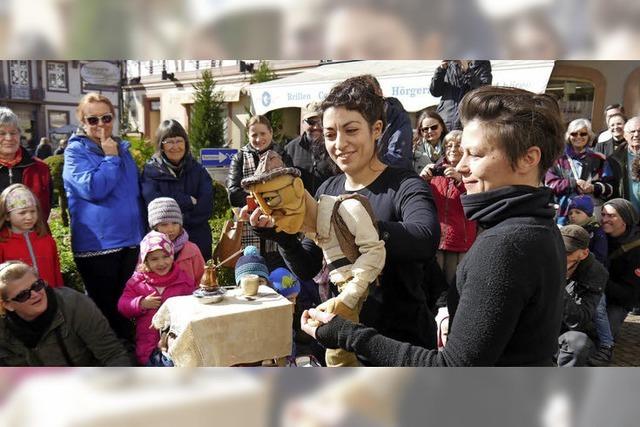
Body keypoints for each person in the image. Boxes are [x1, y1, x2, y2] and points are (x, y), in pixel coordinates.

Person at [301, 86, 566, 366]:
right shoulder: (538, 225)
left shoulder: (506, 244)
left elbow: (452, 369)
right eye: (461, 153)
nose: (461, 166)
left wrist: (347, 335)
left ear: (529, 158)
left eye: (475, 154)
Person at [249, 76, 440, 350]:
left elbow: (425, 238)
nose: (339, 143)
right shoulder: (328, 187)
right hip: (347, 339)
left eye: (351, 130)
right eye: (330, 134)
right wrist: (280, 235)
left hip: (403, 343)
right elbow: (308, 266)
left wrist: (355, 223)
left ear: (377, 129)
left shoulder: (405, 185)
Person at [241, 150, 386, 367]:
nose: (270, 212)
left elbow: (375, 251)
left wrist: (347, 297)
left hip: (370, 302)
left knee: (337, 357)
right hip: (346, 296)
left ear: (298, 187)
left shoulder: (346, 208)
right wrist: (277, 234)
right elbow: (306, 267)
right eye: (259, 203)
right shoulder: (314, 229)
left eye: (271, 199)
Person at [62, 92, 145, 341]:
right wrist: (110, 158)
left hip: (131, 241)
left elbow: (134, 194)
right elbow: (93, 189)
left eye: (106, 118)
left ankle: (132, 359)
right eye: (93, 120)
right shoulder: (75, 152)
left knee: (129, 309)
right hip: (98, 246)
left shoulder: (123, 149)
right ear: (83, 122)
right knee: (105, 314)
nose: (101, 125)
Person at [0, 261, 130, 366]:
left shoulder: (74, 304)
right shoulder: (3, 329)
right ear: (8, 305)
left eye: (37, 285)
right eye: (23, 295)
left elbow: (113, 354)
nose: (35, 294)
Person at [141, 119, 214, 261]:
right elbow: (155, 208)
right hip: (162, 245)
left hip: (197, 241)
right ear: (161, 145)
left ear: (185, 143)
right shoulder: (151, 172)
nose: (175, 146)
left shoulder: (199, 171)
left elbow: (206, 207)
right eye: (169, 141)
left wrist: (176, 221)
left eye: (179, 140)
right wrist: (188, 200)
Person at [117, 231, 195, 366]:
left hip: (177, 346)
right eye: (154, 259)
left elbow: (194, 304)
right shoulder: (138, 282)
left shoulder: (183, 280)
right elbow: (123, 305)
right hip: (148, 348)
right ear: (145, 260)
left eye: (165, 256)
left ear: (172, 255)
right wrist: (140, 303)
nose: (161, 263)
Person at [226, 115, 291, 269]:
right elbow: (234, 193)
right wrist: (265, 202)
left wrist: (256, 200)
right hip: (248, 230)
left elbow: (290, 188)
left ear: (271, 133)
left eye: (263, 134)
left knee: (278, 277)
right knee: (252, 275)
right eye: (254, 134)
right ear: (248, 135)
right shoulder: (240, 157)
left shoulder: (282, 155)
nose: (258, 139)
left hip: (276, 227)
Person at [422, 130, 477, 287]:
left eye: (458, 145)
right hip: (437, 237)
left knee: (455, 284)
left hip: (460, 239)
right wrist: (422, 180)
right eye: (448, 145)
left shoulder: (472, 172)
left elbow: (476, 199)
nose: (452, 149)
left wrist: (461, 181)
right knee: (434, 284)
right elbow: (423, 201)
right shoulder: (436, 170)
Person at [545, 118, 615, 225]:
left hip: (591, 216)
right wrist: (574, 183)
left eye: (583, 134)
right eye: (574, 134)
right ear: (568, 136)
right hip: (563, 215)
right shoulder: (558, 159)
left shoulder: (599, 159)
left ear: (589, 136)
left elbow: (610, 188)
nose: (578, 137)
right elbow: (549, 185)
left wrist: (593, 188)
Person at [557, 225, 609, 367]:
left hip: (567, 331)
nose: (560, 256)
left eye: (567, 252)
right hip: (540, 326)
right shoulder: (545, 259)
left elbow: (579, 320)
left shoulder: (596, 273)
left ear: (584, 253)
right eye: (558, 249)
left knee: (578, 344)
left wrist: (557, 284)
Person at [0, 184, 63, 287]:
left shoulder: (47, 241)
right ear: (7, 216)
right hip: (18, 302)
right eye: (22, 213)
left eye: (33, 211)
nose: (29, 217)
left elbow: (56, 273)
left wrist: (60, 295)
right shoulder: (2, 244)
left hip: (50, 298)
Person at [0, 107, 52, 221]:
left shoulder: (40, 168)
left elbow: (46, 209)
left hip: (33, 237)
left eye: (13, 132)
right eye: (2, 133)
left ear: (19, 134)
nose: (9, 138)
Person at [600, 199, 640, 339]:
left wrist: (601, 281)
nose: (604, 219)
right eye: (603, 214)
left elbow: (631, 295)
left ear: (625, 219)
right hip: (595, 294)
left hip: (618, 301)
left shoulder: (636, 249)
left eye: (611, 216)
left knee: (605, 333)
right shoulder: (598, 237)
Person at [147, 197, 205, 285]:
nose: (171, 229)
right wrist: (142, 299)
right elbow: (139, 282)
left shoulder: (192, 250)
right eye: (164, 224)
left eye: (175, 223)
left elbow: (203, 280)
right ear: (155, 227)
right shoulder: (147, 249)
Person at [284, 101, 335, 196]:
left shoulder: (333, 145)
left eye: (321, 122)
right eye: (311, 122)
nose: (316, 127)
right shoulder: (290, 149)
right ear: (303, 123)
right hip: (301, 206)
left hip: (329, 204)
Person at [429, 60, 493, 131]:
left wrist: (467, 70)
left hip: (468, 121)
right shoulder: (450, 65)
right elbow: (435, 92)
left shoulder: (482, 63)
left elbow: (484, 91)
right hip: (445, 121)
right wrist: (441, 70)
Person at [609, 116, 640, 212]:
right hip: (627, 214)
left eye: (639, 131)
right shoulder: (615, 159)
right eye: (632, 131)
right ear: (625, 135)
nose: (636, 135)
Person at [412, 110, 448, 178]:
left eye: (434, 127)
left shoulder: (452, 147)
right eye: (425, 129)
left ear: (442, 127)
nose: (430, 131)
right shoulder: (413, 149)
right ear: (421, 131)